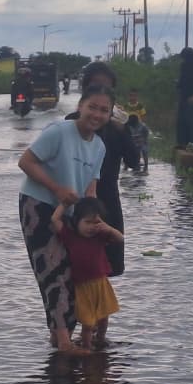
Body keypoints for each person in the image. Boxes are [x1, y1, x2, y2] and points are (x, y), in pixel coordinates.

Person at [18, 85, 115, 352]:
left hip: (71, 212)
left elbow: (90, 190)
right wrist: (57, 189)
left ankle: (59, 337)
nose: (96, 114)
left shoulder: (99, 146)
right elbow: (25, 162)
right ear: (80, 106)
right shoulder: (59, 132)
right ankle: (63, 342)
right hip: (38, 205)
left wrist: (95, 223)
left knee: (75, 272)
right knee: (53, 271)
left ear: (109, 115)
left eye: (104, 110)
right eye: (92, 107)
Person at [64, 62, 140, 277]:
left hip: (107, 204)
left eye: (107, 87)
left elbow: (134, 162)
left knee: (107, 268)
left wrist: (123, 130)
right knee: (75, 268)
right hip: (77, 206)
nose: (101, 91)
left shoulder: (117, 128)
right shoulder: (70, 124)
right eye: (95, 86)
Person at [52, 197, 124, 350]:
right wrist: (64, 204)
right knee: (88, 323)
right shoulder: (71, 237)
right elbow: (55, 220)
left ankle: (101, 339)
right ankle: (86, 346)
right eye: (87, 222)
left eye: (95, 222)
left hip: (101, 284)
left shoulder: (100, 236)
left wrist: (108, 228)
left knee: (104, 317)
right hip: (82, 287)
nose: (91, 227)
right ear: (77, 221)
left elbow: (120, 238)